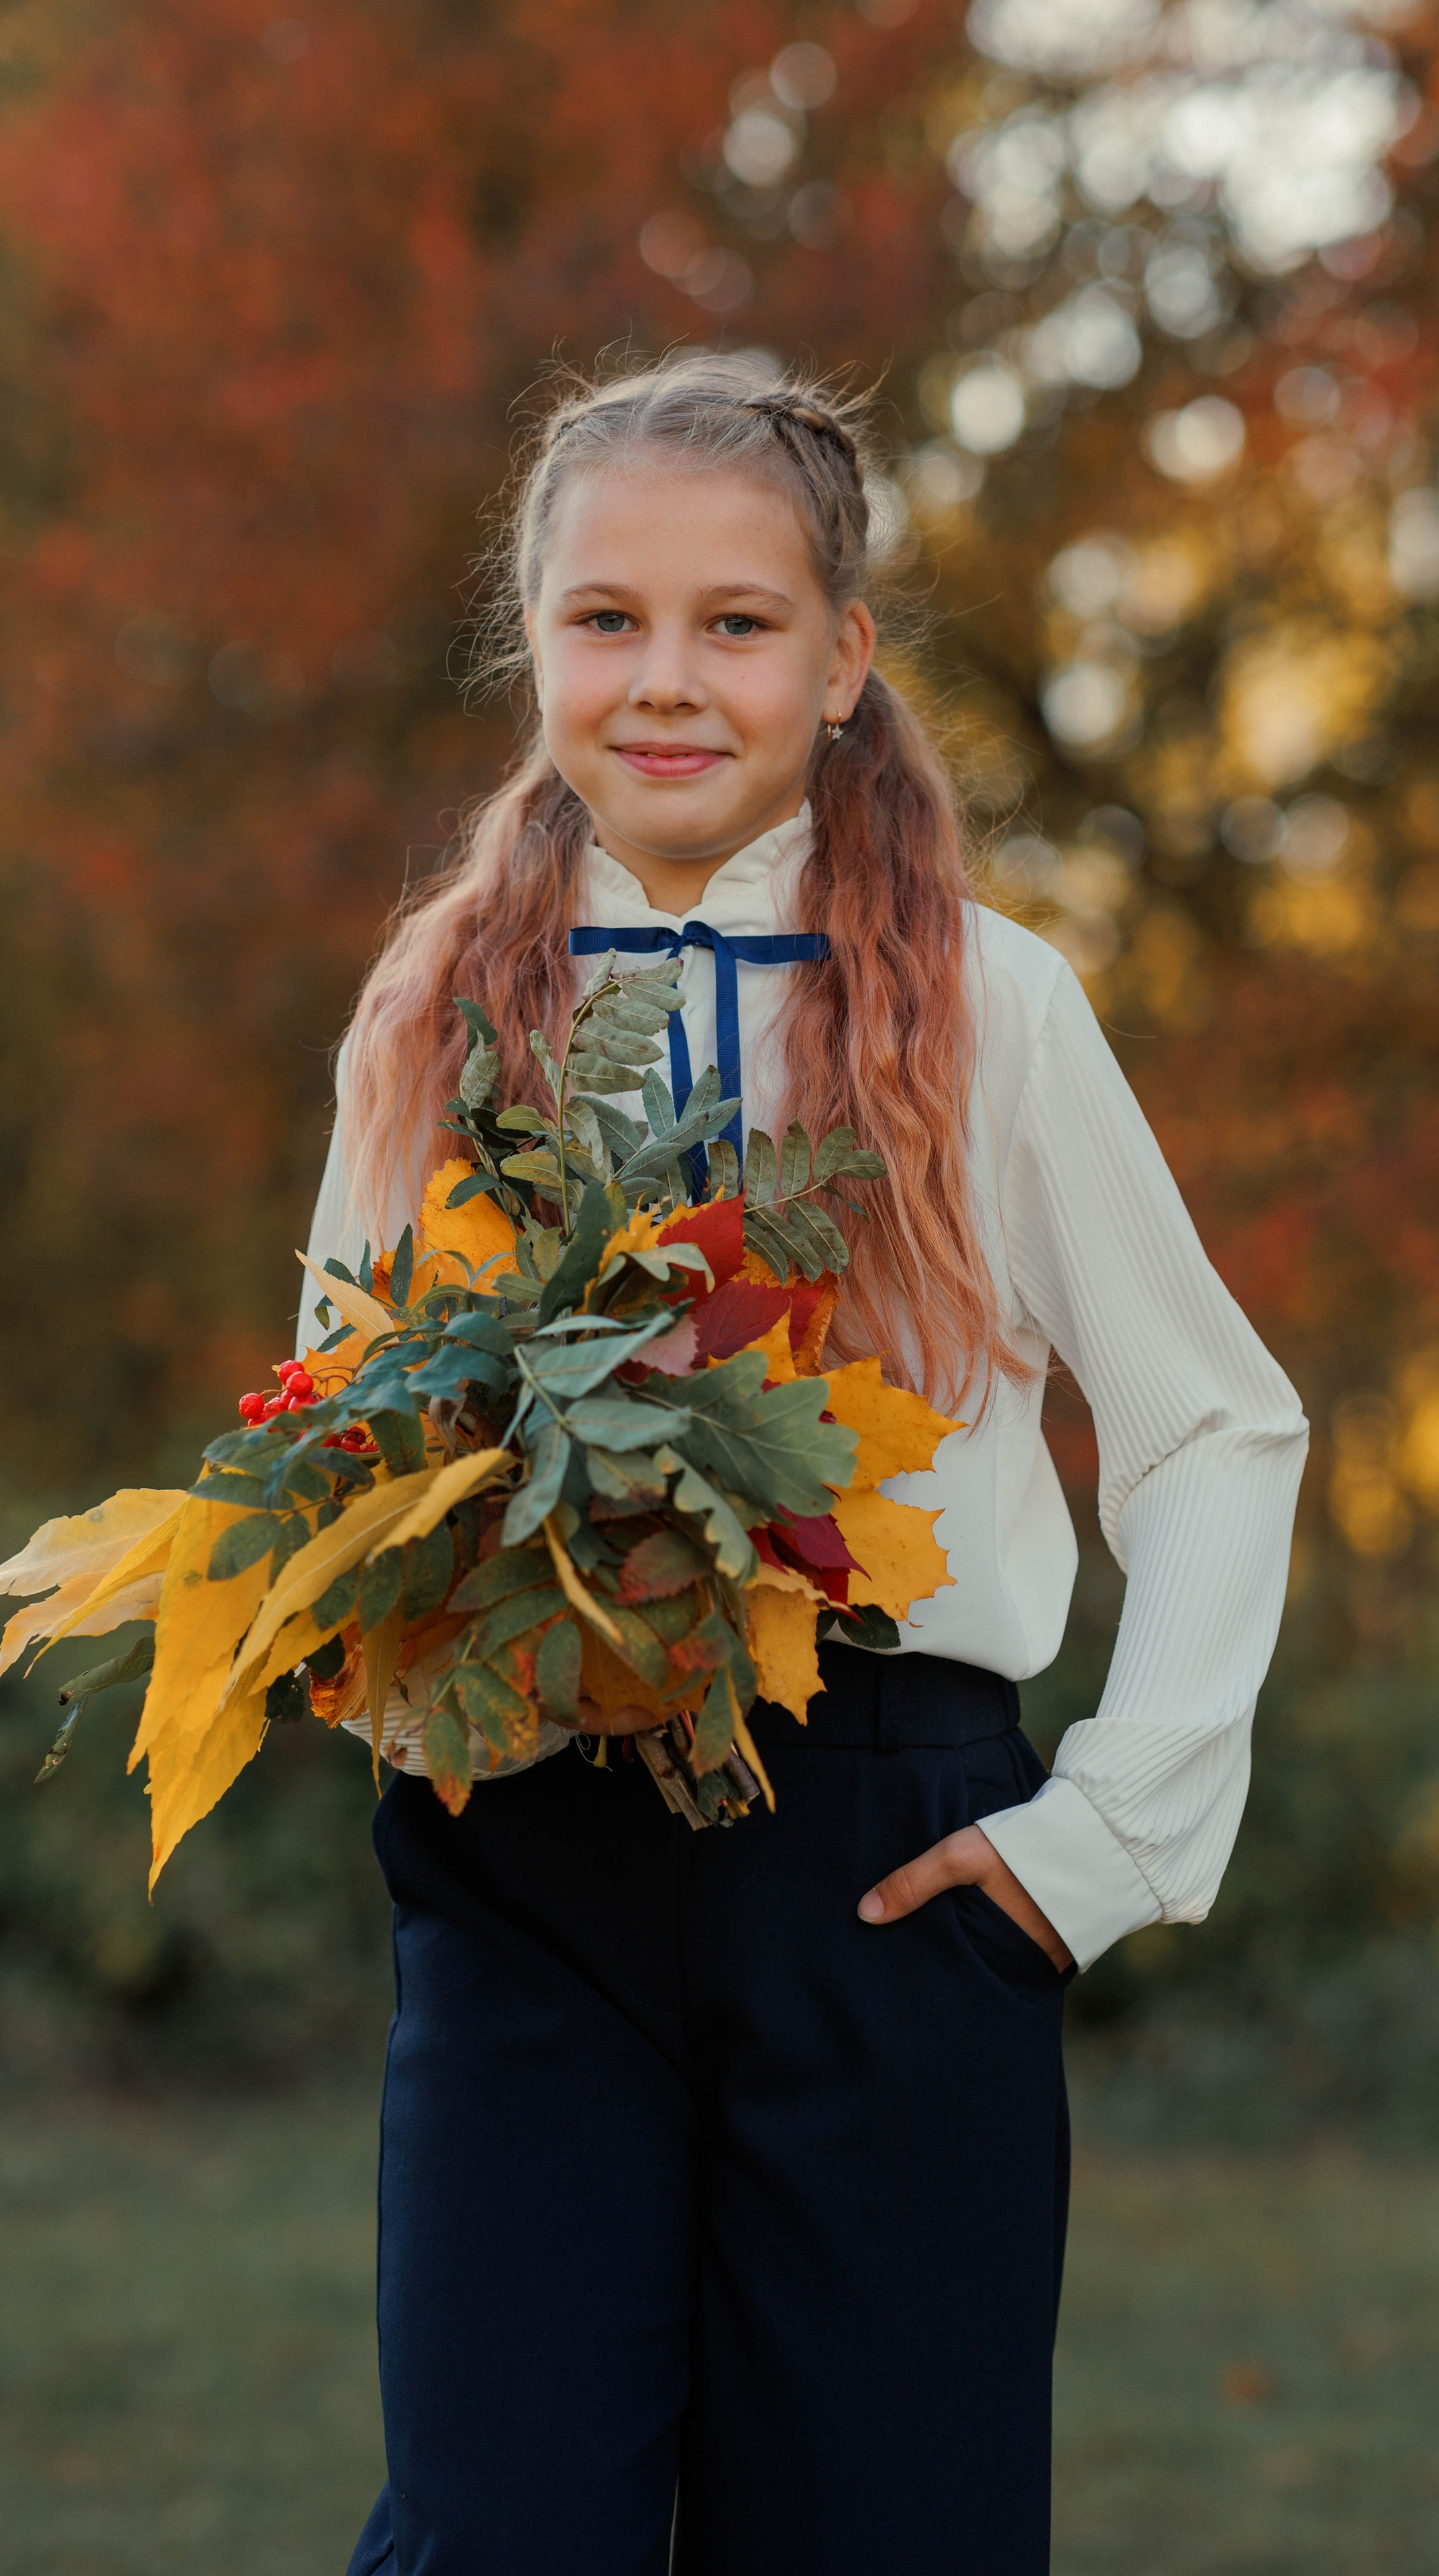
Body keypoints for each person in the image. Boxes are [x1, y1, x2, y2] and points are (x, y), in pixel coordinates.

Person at [300, 355, 1309, 2576]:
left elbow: (1219, 1428)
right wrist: (394, 1673)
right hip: (524, 1857)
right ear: (535, 644)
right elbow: (339, 1415)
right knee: (497, 2537)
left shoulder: (988, 1001)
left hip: (882, 1862)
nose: (668, 681)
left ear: (845, 664)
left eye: (738, 623)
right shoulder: (438, 999)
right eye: (607, 619)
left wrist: (1103, 1845)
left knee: (889, 2532)